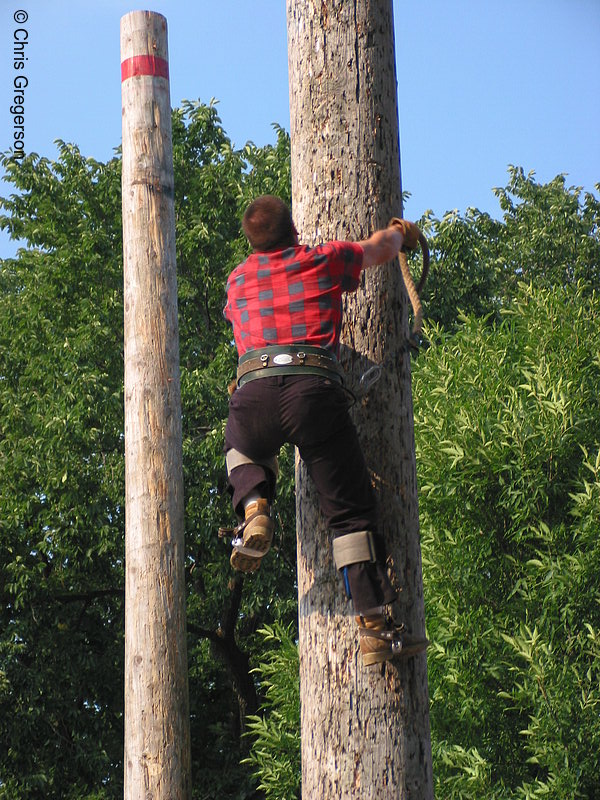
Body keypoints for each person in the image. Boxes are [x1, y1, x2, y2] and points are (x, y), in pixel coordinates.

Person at [222, 195, 428, 667]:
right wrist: (401, 234)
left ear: (251, 241)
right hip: (313, 394)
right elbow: (376, 249)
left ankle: (254, 506)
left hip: (253, 394)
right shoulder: (321, 259)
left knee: (240, 445)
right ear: (293, 230)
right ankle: (374, 626)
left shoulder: (236, 280)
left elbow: (238, 319)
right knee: (351, 514)